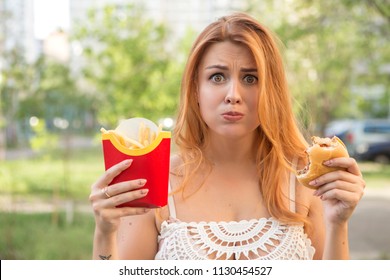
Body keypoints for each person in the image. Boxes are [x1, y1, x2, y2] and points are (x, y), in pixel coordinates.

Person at [89, 12, 365, 260]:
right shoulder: (157, 181)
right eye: (217, 77)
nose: (233, 95)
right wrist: (104, 231)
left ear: (273, 91)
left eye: (250, 78)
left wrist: (338, 222)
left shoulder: (306, 180)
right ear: (195, 90)